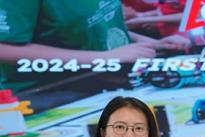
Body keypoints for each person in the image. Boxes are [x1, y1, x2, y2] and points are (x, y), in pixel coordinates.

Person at [0, 0, 190, 91]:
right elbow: (5, 48)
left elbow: (96, 25)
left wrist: (150, 44)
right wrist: (103, 59)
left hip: (111, 83)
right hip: (50, 96)